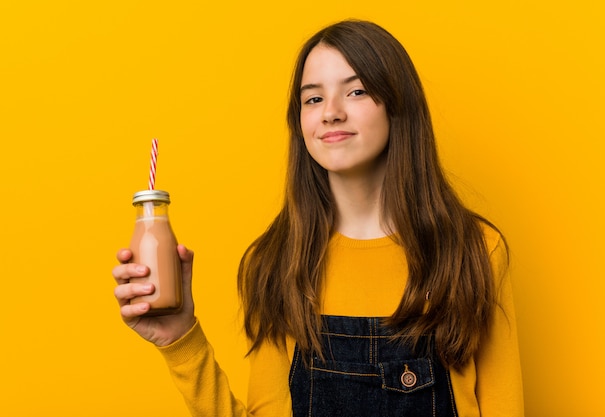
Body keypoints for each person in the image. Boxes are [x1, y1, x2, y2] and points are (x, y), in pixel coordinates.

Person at [112, 19, 524, 417]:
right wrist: (182, 341)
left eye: (357, 91)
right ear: (300, 122)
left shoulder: (472, 251)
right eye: (313, 98)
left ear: (398, 106)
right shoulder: (275, 262)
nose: (331, 113)